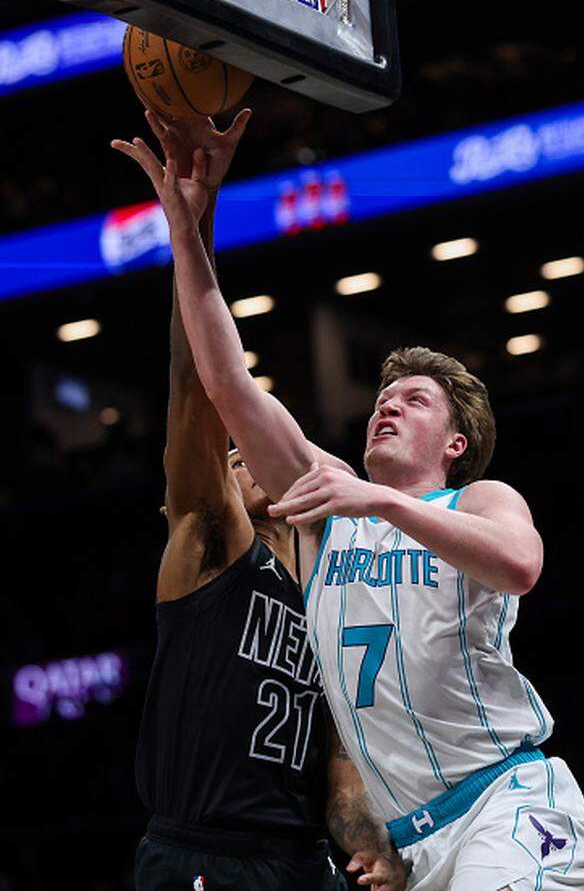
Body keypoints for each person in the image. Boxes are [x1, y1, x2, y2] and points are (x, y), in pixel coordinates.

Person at [116, 117, 584, 891]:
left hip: (508, 806)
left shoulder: (478, 498)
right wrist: (187, 229)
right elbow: (226, 383)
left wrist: (377, 499)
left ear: (456, 441)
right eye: (382, 398)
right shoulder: (330, 505)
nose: (388, 406)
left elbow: (519, 566)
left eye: (414, 400)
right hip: (418, 843)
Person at [111, 112, 408, 891]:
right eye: (232, 456)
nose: (243, 457)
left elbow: (339, 764)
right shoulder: (210, 543)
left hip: (300, 860)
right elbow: (196, 386)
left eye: (253, 451)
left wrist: (371, 842)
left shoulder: (330, 590)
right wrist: (196, 215)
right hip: (204, 854)